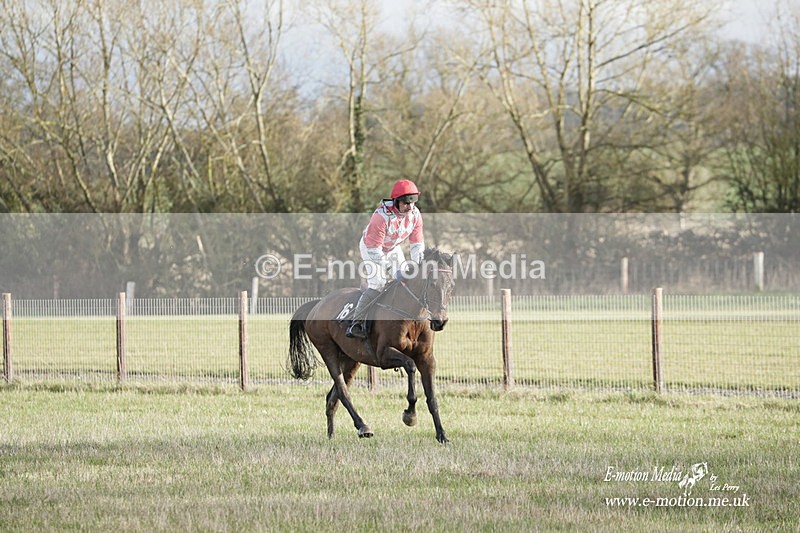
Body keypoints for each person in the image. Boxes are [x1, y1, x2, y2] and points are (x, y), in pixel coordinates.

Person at [346, 179, 425, 338]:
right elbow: (375, 250)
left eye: (413, 203)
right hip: (372, 249)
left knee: (407, 279)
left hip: (392, 248)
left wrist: (418, 265)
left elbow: (416, 244)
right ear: (396, 201)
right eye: (405, 203)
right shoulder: (381, 217)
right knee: (379, 283)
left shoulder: (415, 215)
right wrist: (392, 270)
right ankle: (357, 323)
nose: (410, 207)